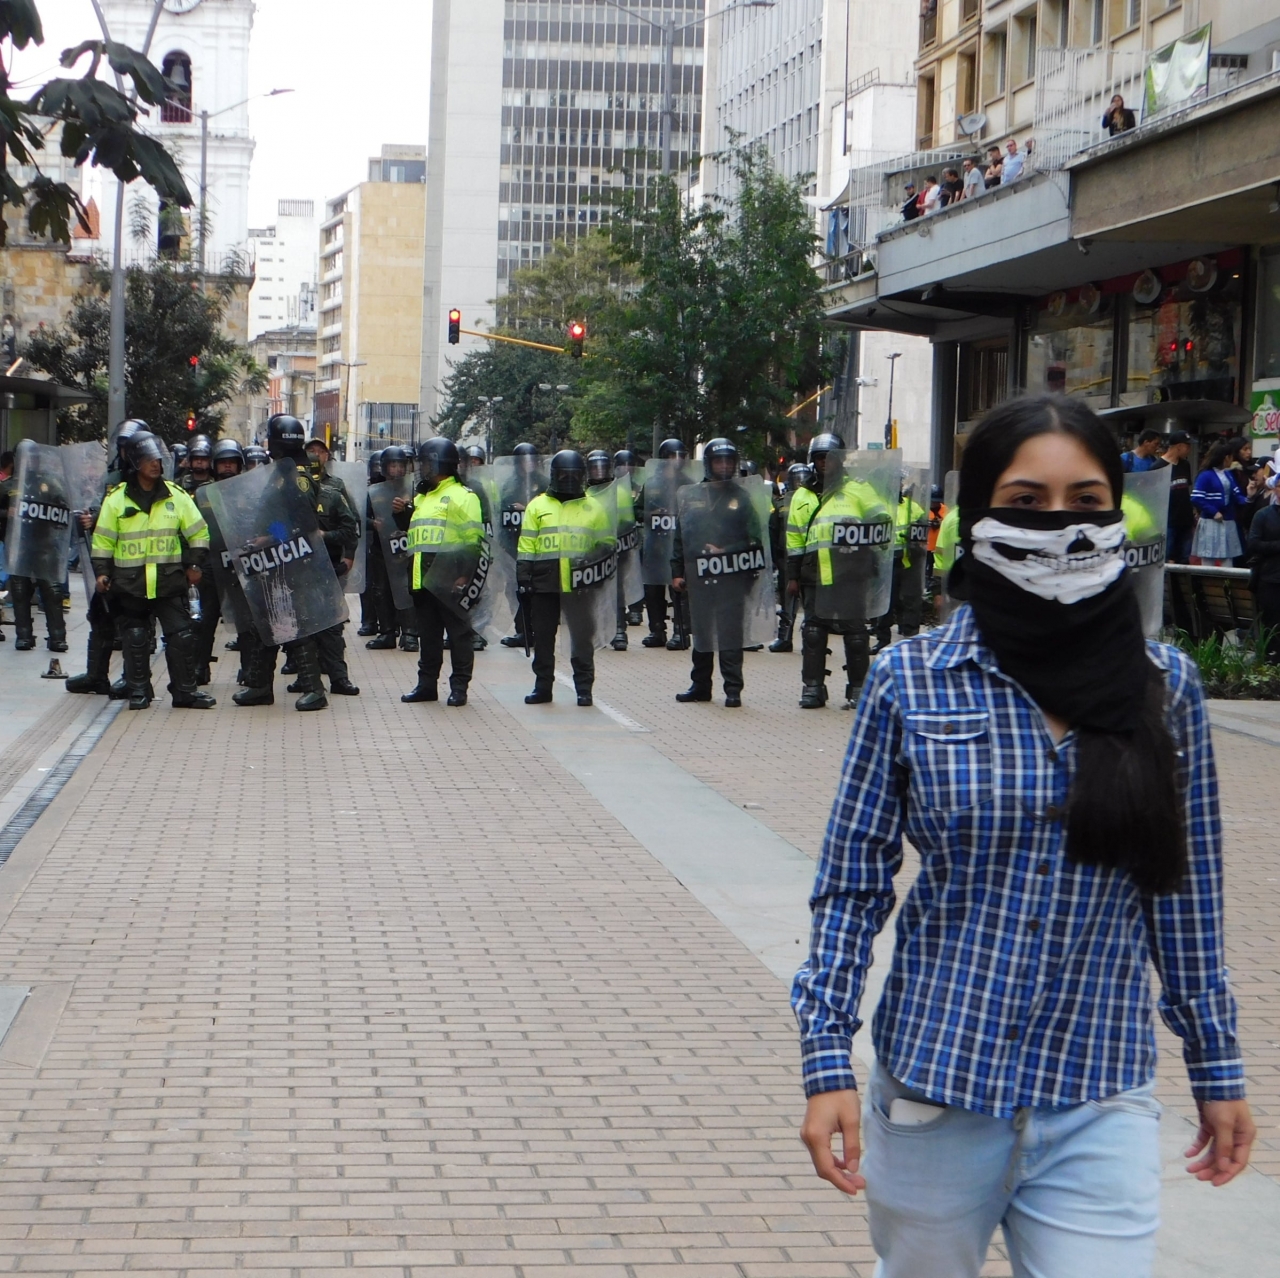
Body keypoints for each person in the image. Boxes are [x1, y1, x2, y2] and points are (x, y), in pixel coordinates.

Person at [795, 394, 1254, 1278]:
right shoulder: (910, 680)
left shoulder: (1167, 686)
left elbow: (1187, 895)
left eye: (1088, 503)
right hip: (935, 1088)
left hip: (1097, 1093)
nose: (1060, 528)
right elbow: (851, 885)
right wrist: (826, 1063)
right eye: (1027, 501)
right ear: (978, 518)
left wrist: (1217, 1064)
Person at [90, 431, 215, 710]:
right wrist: (101, 572)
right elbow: (102, 541)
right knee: (135, 637)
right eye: (148, 459)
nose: (154, 464)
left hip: (168, 582)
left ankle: (185, 692)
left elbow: (199, 532)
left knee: (181, 635)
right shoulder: (117, 499)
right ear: (135, 462)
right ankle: (138, 691)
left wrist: (194, 564)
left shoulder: (177, 496)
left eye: (157, 459)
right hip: (130, 583)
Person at [230, 414, 335, 712]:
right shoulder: (282, 470)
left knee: (294, 623)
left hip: (294, 559)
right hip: (274, 560)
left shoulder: (298, 476)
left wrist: (269, 538)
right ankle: (260, 685)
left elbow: (300, 521)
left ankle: (314, 689)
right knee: (265, 620)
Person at [786, 433, 891, 710]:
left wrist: (862, 538)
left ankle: (858, 689)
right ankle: (813, 688)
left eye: (830, 458)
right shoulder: (802, 495)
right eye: (820, 458)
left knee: (856, 634)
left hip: (851, 573)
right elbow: (794, 539)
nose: (824, 463)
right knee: (813, 633)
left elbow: (882, 522)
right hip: (814, 573)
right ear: (813, 461)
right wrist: (792, 576)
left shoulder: (859, 489)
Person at [517, 449, 615, 707]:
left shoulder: (593, 507)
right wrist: (523, 578)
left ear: (582, 476)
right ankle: (542, 688)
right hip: (544, 583)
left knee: (582, 638)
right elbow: (527, 544)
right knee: (543, 638)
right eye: (563, 474)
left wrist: (593, 561)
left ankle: (584, 688)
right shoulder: (537, 505)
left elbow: (607, 544)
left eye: (574, 475)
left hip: (581, 584)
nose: (568, 479)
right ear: (554, 475)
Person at [671, 438, 762, 708]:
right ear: (709, 463)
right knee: (702, 634)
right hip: (698, 576)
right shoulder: (693, 495)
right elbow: (681, 537)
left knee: (730, 635)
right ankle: (700, 685)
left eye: (728, 461)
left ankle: (733, 689)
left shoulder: (742, 498)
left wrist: (728, 550)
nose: (723, 465)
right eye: (718, 460)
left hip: (731, 577)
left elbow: (756, 539)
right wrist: (677, 571)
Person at [395, 438, 484, 707]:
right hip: (422, 577)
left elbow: (473, 541)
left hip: (449, 578)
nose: (422, 468)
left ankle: (459, 687)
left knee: (458, 635)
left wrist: (465, 576)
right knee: (429, 636)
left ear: (438, 462)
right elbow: (416, 534)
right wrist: (402, 514)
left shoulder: (464, 496)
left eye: (425, 462)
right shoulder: (423, 496)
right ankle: (426, 685)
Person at [298, 435, 361, 697]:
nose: (315, 455)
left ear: (327, 457)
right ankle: (306, 677)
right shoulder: (291, 489)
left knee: (332, 626)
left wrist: (345, 553)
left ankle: (338, 678)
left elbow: (351, 527)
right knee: (303, 626)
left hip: (328, 568)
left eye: (319, 452)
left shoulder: (334, 491)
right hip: (298, 569)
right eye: (310, 451)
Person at [0, 448, 69, 653]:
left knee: (51, 590)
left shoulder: (50, 483)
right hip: (18, 545)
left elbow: (64, 505)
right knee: (20, 591)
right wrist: (7, 512)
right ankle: (24, 635)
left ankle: (57, 636)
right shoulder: (7, 486)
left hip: (44, 543)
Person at [640, 438, 693, 649]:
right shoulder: (651, 484)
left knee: (678, 587)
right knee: (652, 589)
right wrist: (649, 514)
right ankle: (657, 630)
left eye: (680, 456)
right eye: (672, 457)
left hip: (678, 545)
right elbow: (637, 509)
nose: (676, 461)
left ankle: (681, 631)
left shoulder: (689, 483)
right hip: (655, 545)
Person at [366, 444, 418, 652]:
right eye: (392, 465)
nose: (396, 470)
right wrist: (373, 523)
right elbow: (361, 517)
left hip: (406, 549)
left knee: (407, 589)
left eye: (400, 465)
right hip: (381, 549)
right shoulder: (374, 492)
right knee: (381, 591)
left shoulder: (412, 490)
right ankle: (387, 632)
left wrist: (408, 509)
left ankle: (410, 634)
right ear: (384, 468)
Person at [499, 442, 546, 650]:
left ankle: (538, 629)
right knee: (514, 590)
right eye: (523, 461)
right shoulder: (509, 485)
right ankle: (522, 630)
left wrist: (526, 509)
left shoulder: (545, 484)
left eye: (531, 460)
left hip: (539, 546)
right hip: (513, 546)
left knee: (536, 591)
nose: (527, 464)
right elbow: (501, 514)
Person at [1191, 440, 1248, 566]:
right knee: (1208, 558)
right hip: (1211, 522)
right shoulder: (1206, 475)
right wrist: (1213, 511)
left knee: (1228, 559)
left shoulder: (1228, 475)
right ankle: (1207, 584)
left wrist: (1250, 495)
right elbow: (1196, 497)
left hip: (1228, 521)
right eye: (1231, 457)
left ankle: (1225, 585)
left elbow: (1237, 496)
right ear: (1226, 458)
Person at [614, 448, 645, 629]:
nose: (626, 468)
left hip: (635, 535)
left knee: (635, 572)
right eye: (622, 465)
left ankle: (636, 609)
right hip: (616, 534)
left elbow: (642, 508)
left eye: (629, 465)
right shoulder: (610, 487)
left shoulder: (639, 487)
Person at [1248, 480, 1280, 660]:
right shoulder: (1263, 515)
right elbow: (1253, 544)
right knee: (1272, 626)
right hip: (1270, 580)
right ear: (1275, 488)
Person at [357, 448, 385, 636]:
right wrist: (372, 523)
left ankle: (389, 624)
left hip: (389, 544)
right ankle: (369, 621)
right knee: (367, 585)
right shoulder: (365, 491)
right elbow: (358, 515)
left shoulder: (395, 489)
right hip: (368, 542)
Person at [1164, 431, 1195, 563]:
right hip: (1168, 521)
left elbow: (1186, 489)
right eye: (1187, 446)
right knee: (1168, 557)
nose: (1189, 450)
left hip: (1186, 520)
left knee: (1184, 557)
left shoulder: (1185, 465)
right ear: (1179, 447)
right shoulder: (1158, 467)